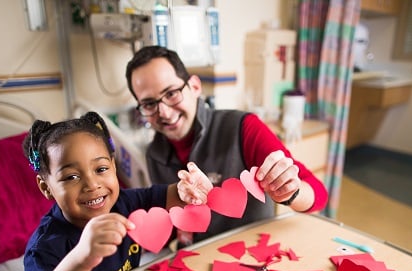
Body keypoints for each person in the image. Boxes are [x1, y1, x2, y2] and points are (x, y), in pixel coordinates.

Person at [14, 112, 212, 271]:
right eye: (71, 177)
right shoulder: (46, 246)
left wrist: (188, 190)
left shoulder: (126, 203)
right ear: (46, 187)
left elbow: (170, 197)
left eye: (101, 169)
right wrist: (81, 259)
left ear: (114, 167)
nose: (92, 184)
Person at [125, 45, 329, 248]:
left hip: (252, 257)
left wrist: (290, 191)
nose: (165, 113)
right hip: (197, 260)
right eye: (149, 104)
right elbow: (171, 226)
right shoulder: (155, 154)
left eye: (171, 93)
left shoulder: (243, 127)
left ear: (195, 87)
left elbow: (319, 194)